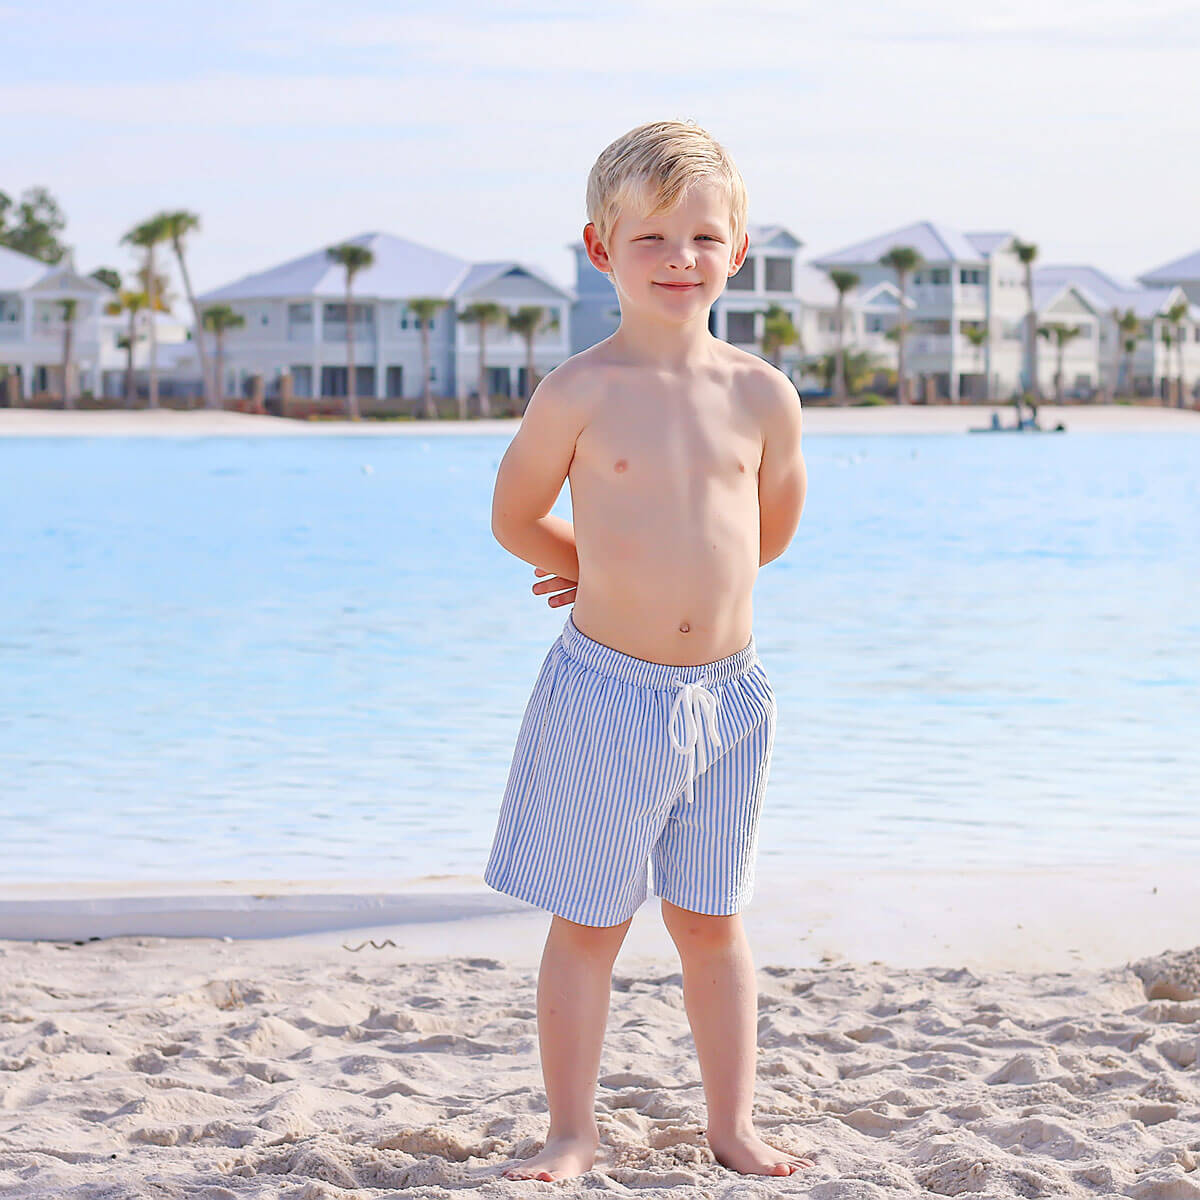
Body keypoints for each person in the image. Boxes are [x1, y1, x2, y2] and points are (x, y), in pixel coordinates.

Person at [483, 118, 811, 1183]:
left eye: (705, 239)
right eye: (653, 240)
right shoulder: (579, 390)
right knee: (590, 923)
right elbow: (515, 516)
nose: (681, 260)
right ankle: (572, 1130)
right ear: (600, 251)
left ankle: (731, 1124)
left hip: (731, 697)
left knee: (712, 921)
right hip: (607, 693)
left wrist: (682, 579)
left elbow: (768, 535)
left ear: (739, 251)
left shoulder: (763, 394)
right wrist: (594, 567)